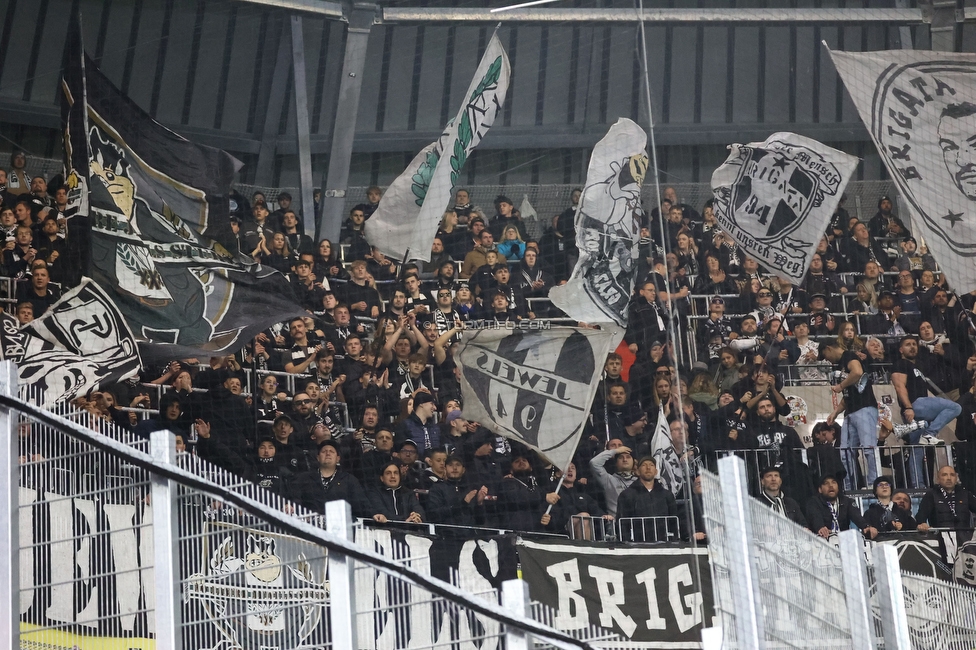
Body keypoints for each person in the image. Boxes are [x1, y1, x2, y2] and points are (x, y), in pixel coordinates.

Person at [891, 335, 962, 486]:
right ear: (901, 349)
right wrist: (909, 407)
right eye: (908, 344)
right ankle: (929, 434)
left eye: (914, 344)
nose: (912, 346)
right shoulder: (901, 364)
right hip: (916, 405)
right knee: (955, 407)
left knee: (916, 450)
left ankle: (919, 485)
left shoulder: (918, 366)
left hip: (916, 410)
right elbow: (899, 387)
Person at [822, 341, 879, 489]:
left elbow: (857, 372)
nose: (827, 359)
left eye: (825, 355)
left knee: (869, 448)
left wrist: (840, 385)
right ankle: (849, 487)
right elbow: (848, 395)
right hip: (851, 411)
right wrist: (835, 412)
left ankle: (875, 483)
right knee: (845, 452)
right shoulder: (842, 363)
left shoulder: (848, 355)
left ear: (829, 348)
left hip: (864, 407)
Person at [290, 440, 368, 516]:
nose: (327, 453)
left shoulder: (349, 480)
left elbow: (360, 505)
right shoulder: (303, 478)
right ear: (318, 457)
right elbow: (295, 500)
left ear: (338, 458)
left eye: (332, 451)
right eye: (324, 451)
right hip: (309, 524)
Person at [615, 456, 678, 542]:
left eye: (651, 465)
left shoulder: (667, 495)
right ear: (637, 471)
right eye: (644, 465)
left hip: (664, 545)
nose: (648, 468)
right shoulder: (627, 495)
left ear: (656, 471)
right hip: (637, 546)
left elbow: (674, 520)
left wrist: (673, 540)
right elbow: (622, 523)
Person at [805, 475, 879, 540]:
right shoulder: (814, 502)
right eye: (826, 483)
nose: (831, 485)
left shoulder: (847, 501)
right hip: (822, 541)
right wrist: (820, 527)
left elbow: (857, 516)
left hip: (844, 542)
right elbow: (815, 517)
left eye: (833, 482)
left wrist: (866, 526)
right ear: (820, 490)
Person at [426, 455, 487, 526]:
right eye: (450, 465)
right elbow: (433, 515)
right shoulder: (437, 488)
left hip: (471, 535)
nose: (454, 468)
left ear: (463, 470)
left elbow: (480, 521)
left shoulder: (471, 490)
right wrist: (463, 503)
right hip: (445, 534)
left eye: (458, 465)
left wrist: (479, 504)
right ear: (445, 469)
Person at [916, 465, 976, 530]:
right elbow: (920, 518)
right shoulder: (930, 495)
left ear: (956, 478)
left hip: (965, 537)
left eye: (952, 475)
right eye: (944, 475)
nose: (949, 478)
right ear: (938, 479)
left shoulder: (965, 494)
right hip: (940, 536)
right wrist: (922, 524)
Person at [589, 442, 638, 517]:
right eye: (621, 457)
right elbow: (594, 463)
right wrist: (615, 451)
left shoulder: (640, 481)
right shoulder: (608, 480)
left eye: (628, 457)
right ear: (616, 463)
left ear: (634, 462)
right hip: (616, 524)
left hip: (637, 523)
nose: (625, 459)